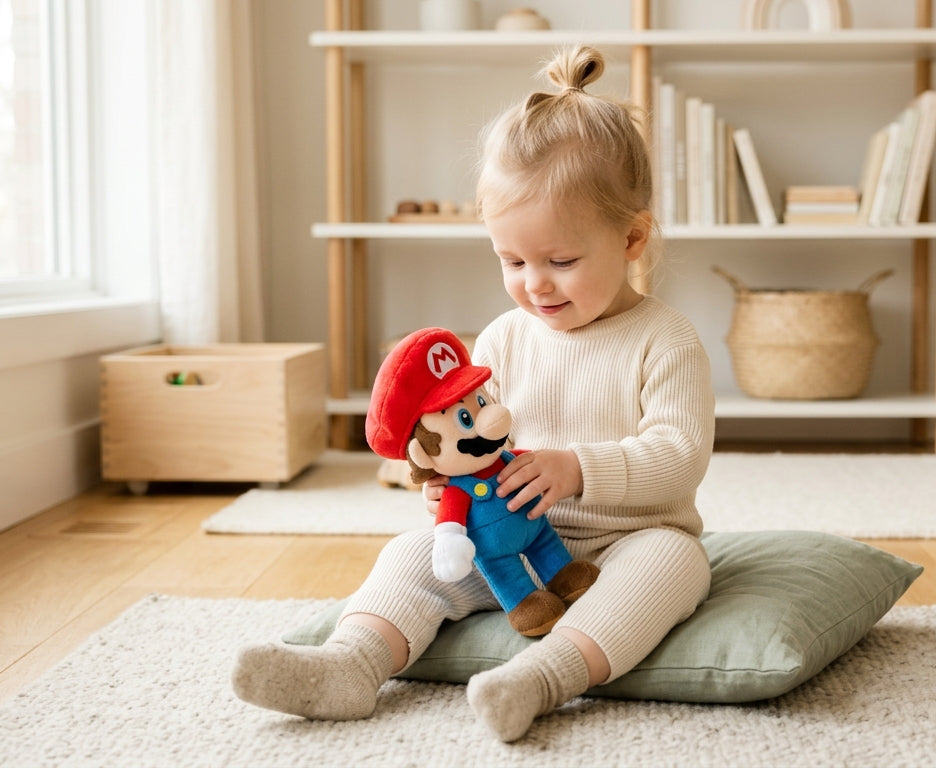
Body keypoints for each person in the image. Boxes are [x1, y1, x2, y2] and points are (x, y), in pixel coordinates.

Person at [231, 44, 716, 743]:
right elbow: (462, 439)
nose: (534, 284)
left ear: (632, 237)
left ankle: (539, 680)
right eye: (511, 260)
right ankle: (349, 665)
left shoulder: (666, 339)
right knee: (409, 554)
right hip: (505, 549)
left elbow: (680, 455)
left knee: (677, 566)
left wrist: (576, 468)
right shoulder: (500, 340)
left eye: (561, 261)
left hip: (627, 540)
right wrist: (441, 487)